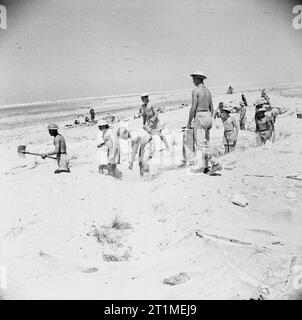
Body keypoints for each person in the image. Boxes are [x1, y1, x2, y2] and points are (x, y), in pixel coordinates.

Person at [186, 71, 222, 175]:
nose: (193, 80)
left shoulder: (196, 91)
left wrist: (189, 122)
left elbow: (193, 108)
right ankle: (206, 167)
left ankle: (215, 164)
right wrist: (209, 117)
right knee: (206, 142)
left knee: (201, 144)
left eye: (193, 78)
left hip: (200, 116)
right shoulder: (208, 91)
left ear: (197, 78)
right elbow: (212, 108)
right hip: (208, 116)